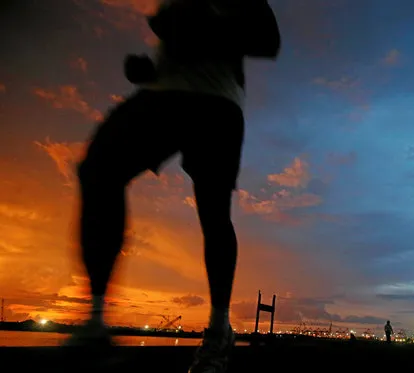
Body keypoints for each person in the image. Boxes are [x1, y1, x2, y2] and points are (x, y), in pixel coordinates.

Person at [63, 1, 280, 372]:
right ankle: (96, 321)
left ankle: (217, 328)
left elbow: (267, 40)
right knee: (98, 169)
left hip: (216, 103)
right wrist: (150, 69)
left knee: (213, 212)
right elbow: (176, 47)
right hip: (162, 94)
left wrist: (192, 31)